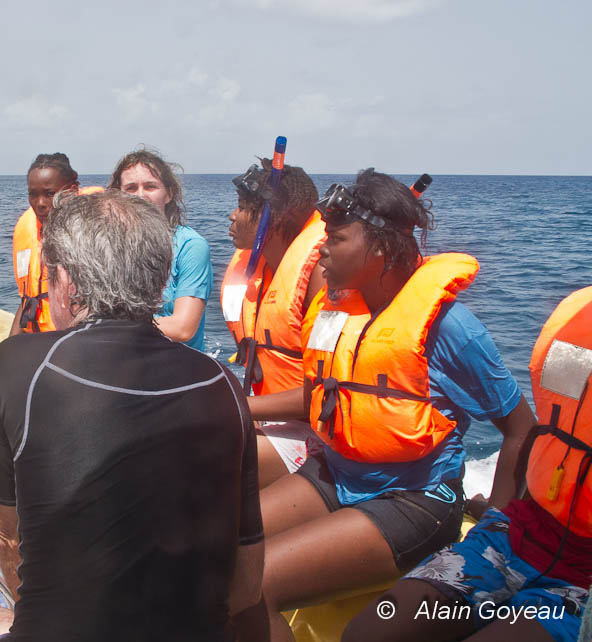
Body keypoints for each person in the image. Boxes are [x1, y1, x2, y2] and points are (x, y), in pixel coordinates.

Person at [227, 169, 536, 642]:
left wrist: (496, 525)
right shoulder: (337, 313)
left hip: (414, 498)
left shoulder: (450, 328)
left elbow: (520, 428)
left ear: (381, 249)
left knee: (254, 585)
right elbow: (320, 395)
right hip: (336, 475)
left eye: (336, 239)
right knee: (222, 551)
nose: (321, 250)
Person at [0, 189, 267, 642]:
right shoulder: (222, 384)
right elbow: (246, 586)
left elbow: (8, 540)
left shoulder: (18, 363)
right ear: (160, 279)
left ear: (67, 282)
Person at [343, 286, 592, 642]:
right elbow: (558, 431)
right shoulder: (578, 320)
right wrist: (496, 513)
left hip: (579, 585)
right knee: (368, 633)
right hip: (517, 536)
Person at [0, 153, 100, 503]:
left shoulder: (92, 232)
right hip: (32, 344)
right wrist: (4, 358)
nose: (40, 203)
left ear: (73, 189)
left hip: (74, 349)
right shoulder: (26, 229)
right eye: (33, 194)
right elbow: (28, 300)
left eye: (49, 193)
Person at [221, 158, 324, 486]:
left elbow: (325, 394)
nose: (232, 215)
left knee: (198, 456)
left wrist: (239, 406)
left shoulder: (320, 277)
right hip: (272, 421)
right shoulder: (260, 271)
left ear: (273, 218)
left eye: (242, 207)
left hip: (318, 435)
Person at [108, 148, 212, 351]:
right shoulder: (108, 246)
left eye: (150, 186)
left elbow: (183, 328)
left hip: (176, 364)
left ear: (169, 194)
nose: (140, 195)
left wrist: (112, 327)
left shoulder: (191, 246)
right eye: (131, 188)